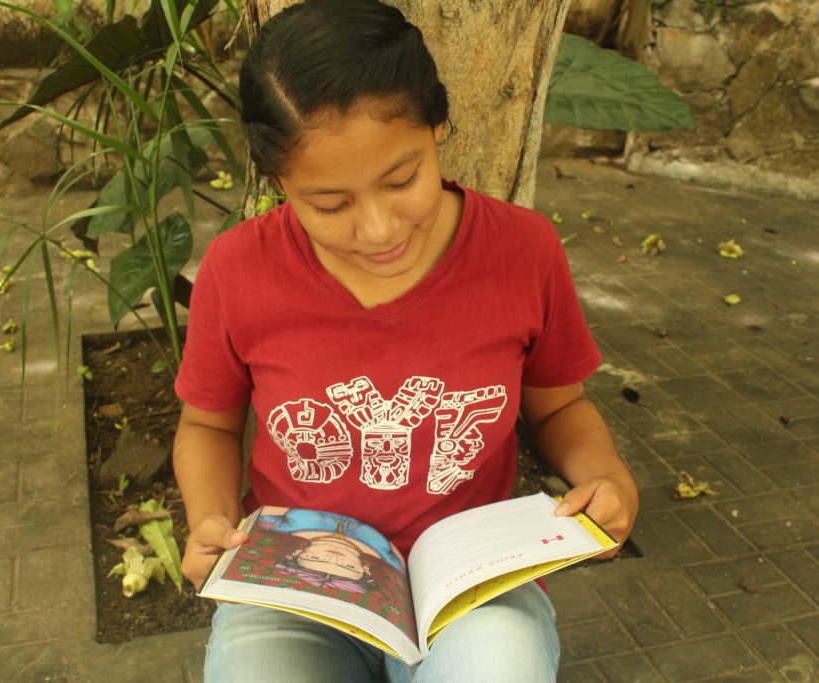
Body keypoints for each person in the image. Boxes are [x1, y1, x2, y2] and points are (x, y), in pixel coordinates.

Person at [172, 0, 639, 679]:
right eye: (330, 205)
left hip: (471, 585)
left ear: (437, 125)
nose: (380, 229)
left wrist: (607, 478)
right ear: (278, 182)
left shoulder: (522, 250)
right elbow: (208, 425)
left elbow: (559, 406)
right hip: (294, 588)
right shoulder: (239, 269)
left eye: (402, 179)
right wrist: (210, 523)